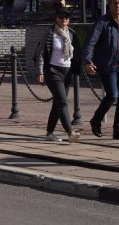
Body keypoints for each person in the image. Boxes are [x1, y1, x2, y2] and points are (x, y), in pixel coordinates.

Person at [82, 0, 119, 140]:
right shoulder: (102, 22)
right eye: (115, 3)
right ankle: (96, 120)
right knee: (113, 95)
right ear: (110, 5)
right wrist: (88, 61)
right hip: (108, 66)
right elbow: (91, 43)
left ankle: (118, 130)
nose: (118, 6)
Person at [34, 9, 83, 143]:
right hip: (53, 71)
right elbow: (40, 53)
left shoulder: (71, 34)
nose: (64, 19)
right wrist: (40, 72)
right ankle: (70, 132)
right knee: (62, 102)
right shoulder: (50, 33)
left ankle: (49, 134)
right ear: (56, 18)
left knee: (57, 103)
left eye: (66, 17)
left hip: (67, 72)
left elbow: (77, 53)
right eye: (61, 17)